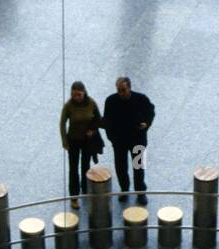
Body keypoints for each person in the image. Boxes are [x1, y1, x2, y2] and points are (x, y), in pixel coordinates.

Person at [102, 76, 155, 204]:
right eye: (119, 90)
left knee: (138, 167)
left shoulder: (141, 99)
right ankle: (124, 189)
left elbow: (151, 112)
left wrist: (146, 124)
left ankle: (140, 192)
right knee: (121, 167)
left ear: (129, 88)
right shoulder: (111, 101)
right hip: (119, 142)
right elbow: (107, 121)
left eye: (124, 90)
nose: (121, 93)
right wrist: (112, 138)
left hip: (137, 140)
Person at [59, 81, 102, 209]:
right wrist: (64, 142)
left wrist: (93, 130)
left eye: (79, 94)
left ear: (84, 92)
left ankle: (85, 190)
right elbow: (62, 124)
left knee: (85, 166)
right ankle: (74, 197)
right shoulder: (68, 106)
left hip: (87, 140)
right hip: (73, 141)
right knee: (73, 168)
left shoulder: (91, 103)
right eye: (74, 95)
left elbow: (98, 119)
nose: (76, 97)